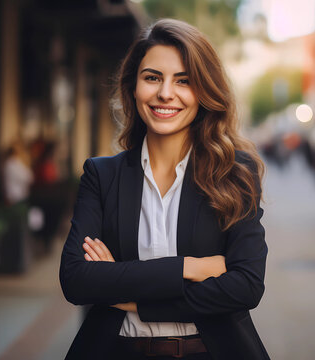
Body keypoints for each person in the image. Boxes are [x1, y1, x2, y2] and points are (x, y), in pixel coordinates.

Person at [60, 19, 269, 360]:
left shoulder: (235, 174)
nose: (165, 93)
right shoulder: (102, 175)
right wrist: (191, 268)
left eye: (183, 81)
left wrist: (125, 293)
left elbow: (245, 287)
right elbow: (76, 280)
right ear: (133, 87)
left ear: (203, 92)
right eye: (152, 77)